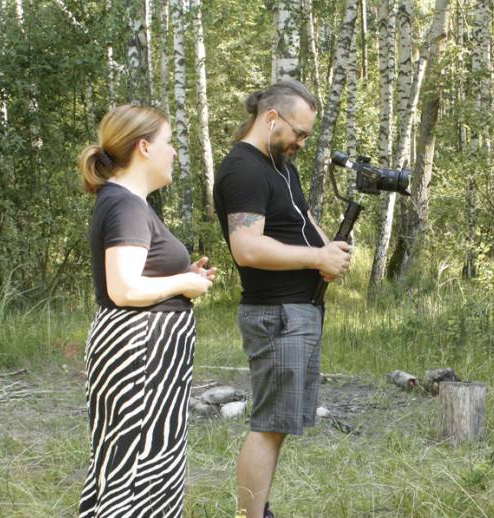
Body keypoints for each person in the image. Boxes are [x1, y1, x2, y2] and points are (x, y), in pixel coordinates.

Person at [213, 80, 351, 518]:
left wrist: (330, 252)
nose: (301, 142)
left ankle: (261, 511)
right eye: (299, 132)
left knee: (280, 426)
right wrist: (317, 257)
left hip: (298, 311)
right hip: (276, 315)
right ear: (272, 117)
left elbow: (301, 219)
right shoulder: (243, 169)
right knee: (269, 425)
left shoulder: (278, 165)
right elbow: (247, 248)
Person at [77, 105, 217, 517]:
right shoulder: (126, 206)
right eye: (168, 143)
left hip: (143, 353)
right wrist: (184, 284)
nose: (173, 153)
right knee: (139, 472)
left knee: (128, 467)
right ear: (143, 148)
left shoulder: (125, 202)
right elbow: (124, 288)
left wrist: (179, 273)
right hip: (140, 355)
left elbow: (136, 275)